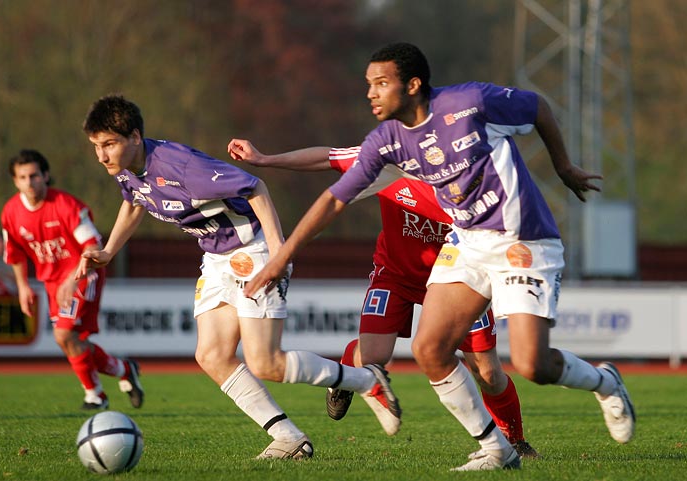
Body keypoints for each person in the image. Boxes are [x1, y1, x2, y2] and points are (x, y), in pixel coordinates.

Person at [241, 42, 635, 471]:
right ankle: (496, 450)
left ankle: (604, 382)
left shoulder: (470, 103)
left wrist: (563, 166)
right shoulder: (385, 142)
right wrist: (280, 257)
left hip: (522, 241)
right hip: (467, 244)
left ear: (412, 85)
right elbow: (333, 200)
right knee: (431, 350)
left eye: (381, 84)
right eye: (368, 84)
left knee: (530, 364)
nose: (370, 93)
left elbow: (536, 106)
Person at [77, 94, 401, 461]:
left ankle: (367, 381)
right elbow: (135, 200)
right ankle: (289, 438)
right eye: (96, 147)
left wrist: (279, 252)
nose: (102, 155)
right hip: (216, 258)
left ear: (134, 137)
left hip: (254, 252)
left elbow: (254, 188)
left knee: (266, 363)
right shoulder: (127, 169)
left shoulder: (183, 167)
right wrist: (108, 252)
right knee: (212, 355)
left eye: (109, 144)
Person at [227, 140, 538, 458]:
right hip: (396, 275)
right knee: (373, 357)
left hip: (459, 278)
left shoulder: (466, 174)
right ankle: (348, 368)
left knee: (486, 370)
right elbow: (327, 156)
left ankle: (514, 440)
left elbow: (503, 224)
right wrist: (266, 158)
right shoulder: (388, 158)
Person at [1, 149, 144, 410]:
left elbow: (93, 245)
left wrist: (71, 280)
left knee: (63, 334)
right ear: (15, 181)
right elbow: (15, 254)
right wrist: (22, 287)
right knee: (73, 342)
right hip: (52, 282)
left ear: (46, 176)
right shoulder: (11, 212)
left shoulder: (66, 206)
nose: (29, 182)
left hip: (83, 273)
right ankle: (124, 370)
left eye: (34, 175)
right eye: (22, 177)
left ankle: (95, 395)